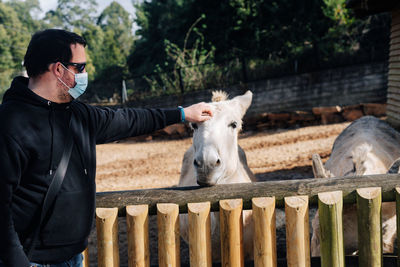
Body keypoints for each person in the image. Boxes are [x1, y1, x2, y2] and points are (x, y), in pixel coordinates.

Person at [0, 29, 212, 267]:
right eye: (79, 67)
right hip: (32, 261)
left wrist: (183, 114)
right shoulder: (11, 124)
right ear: (58, 69)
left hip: (74, 257)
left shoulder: (79, 115)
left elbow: (129, 119)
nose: (85, 74)